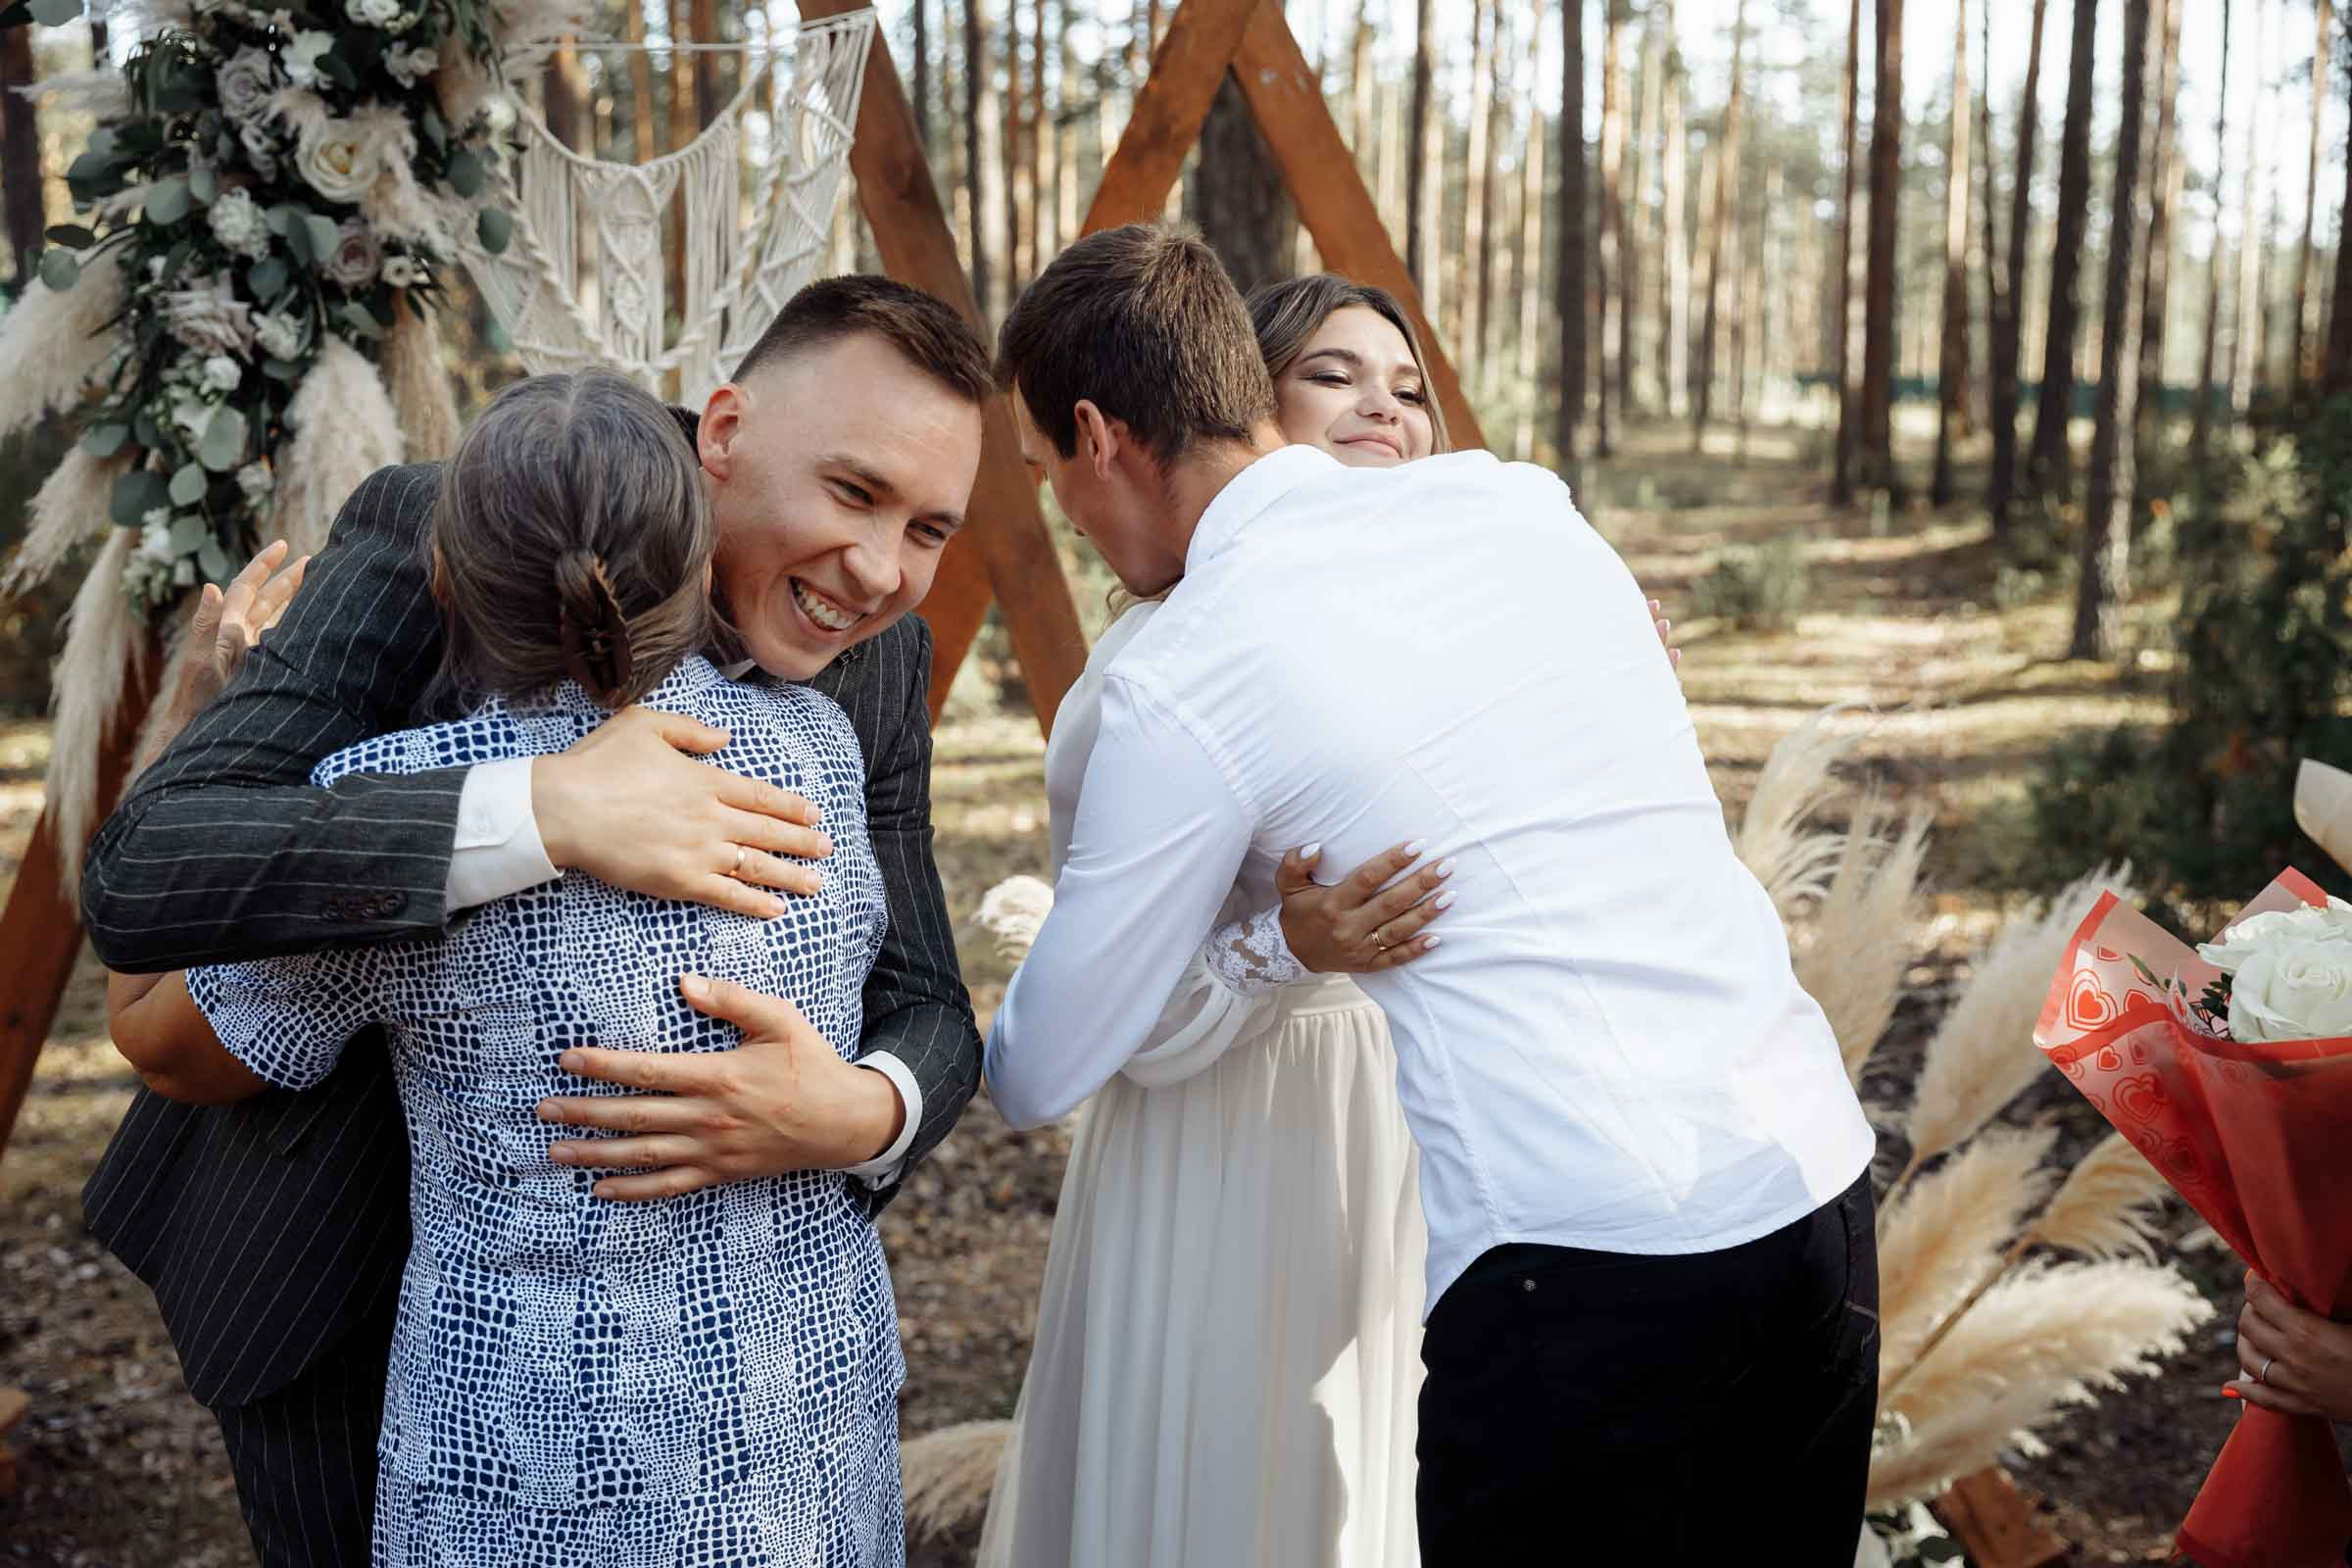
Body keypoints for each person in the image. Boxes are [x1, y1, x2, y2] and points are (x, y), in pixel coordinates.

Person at [983, 224, 1880, 1561]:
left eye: (1054, 472)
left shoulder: (1197, 670)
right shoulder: (1526, 508)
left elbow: (1039, 1071)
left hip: (1582, 1270)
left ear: (1100, 436)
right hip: (1814, 1182)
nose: (1069, 509)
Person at [78, 277, 995, 1565]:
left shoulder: (870, 675)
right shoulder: (437, 525)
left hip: (717, 1365)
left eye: (931, 528)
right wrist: (545, 809)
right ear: (721, 433)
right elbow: (149, 876)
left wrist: (859, 1111)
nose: (883, 570)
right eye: (853, 493)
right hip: (328, 1276)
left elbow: (927, 994)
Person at [976, 274, 1454, 1568]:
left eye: (1407, 388)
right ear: (1253, 407)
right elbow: (1096, 1025)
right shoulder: (1162, 668)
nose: (1381, 409)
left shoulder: (1452, 610)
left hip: (1397, 1108)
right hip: (1216, 1121)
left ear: (1098, 437)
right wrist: (1277, 951)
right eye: (1337, 377)